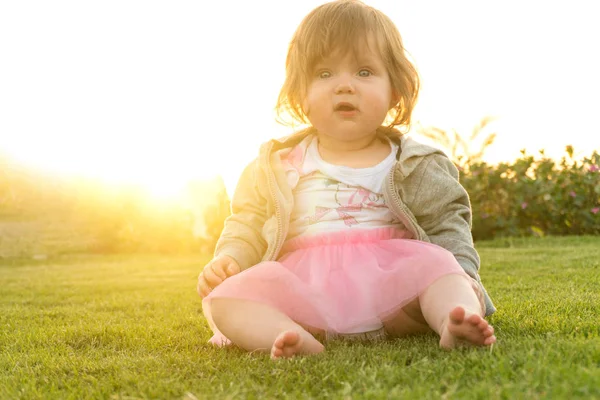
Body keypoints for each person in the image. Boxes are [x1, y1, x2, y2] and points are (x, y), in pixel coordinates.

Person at [197, 0, 496, 360]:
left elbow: (448, 226)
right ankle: (287, 334)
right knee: (226, 301)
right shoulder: (275, 165)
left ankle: (454, 319)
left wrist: (463, 279)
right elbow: (246, 222)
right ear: (300, 94)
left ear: (394, 91)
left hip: (395, 292)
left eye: (364, 72)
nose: (344, 86)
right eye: (324, 74)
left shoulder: (416, 163)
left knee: (441, 269)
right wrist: (229, 258)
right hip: (307, 295)